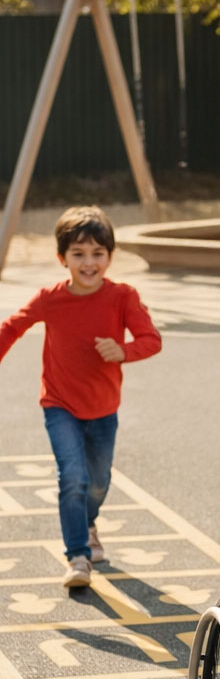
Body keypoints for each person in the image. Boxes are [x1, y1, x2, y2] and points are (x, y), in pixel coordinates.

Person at [0, 206, 161, 588]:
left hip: (104, 408)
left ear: (109, 256)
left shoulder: (123, 296)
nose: (89, 262)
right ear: (62, 258)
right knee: (71, 477)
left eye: (97, 253)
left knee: (98, 482)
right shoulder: (49, 299)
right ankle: (77, 555)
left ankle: (88, 523)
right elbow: (11, 328)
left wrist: (123, 350)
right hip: (59, 405)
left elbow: (151, 340)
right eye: (78, 254)